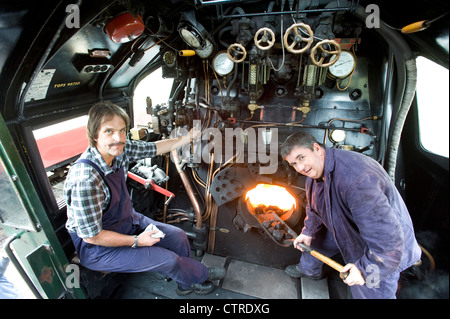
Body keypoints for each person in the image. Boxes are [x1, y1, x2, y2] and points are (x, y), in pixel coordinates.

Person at [64, 101, 225, 295]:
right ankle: (200, 275)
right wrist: (136, 241)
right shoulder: (86, 179)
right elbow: (92, 236)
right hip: (99, 249)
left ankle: (185, 284)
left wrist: (188, 137)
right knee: (169, 260)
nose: (118, 138)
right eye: (109, 131)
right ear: (94, 135)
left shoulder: (120, 151)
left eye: (122, 130)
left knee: (179, 237)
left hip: (126, 221)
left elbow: (154, 148)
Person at [281, 132, 421, 299]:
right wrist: (308, 231)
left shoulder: (357, 181)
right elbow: (314, 207)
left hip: (382, 251)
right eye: (294, 164)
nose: (300, 168)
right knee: (315, 242)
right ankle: (309, 270)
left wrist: (363, 270)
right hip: (345, 225)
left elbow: (387, 241)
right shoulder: (315, 173)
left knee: (369, 290)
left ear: (316, 148)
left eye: (301, 158)